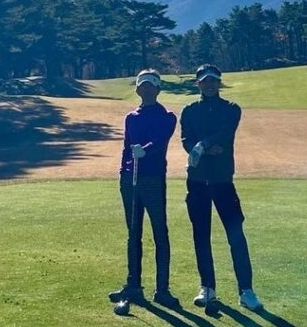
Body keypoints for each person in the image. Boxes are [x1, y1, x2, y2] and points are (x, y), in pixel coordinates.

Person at [180, 63, 263, 311]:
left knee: (236, 236)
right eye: (204, 81)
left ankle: (246, 291)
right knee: (201, 236)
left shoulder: (231, 109)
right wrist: (201, 148)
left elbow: (225, 134)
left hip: (223, 181)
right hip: (197, 182)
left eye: (213, 80)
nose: (209, 84)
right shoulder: (189, 111)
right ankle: (208, 288)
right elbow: (186, 140)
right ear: (198, 84)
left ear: (219, 83)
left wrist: (202, 146)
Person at [108, 69, 182, 309]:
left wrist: (146, 149)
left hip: (152, 179)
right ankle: (134, 286)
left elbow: (161, 141)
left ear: (158, 89)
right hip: (129, 180)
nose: (147, 89)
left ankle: (162, 290)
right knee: (133, 234)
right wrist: (123, 173)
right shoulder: (131, 117)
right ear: (137, 89)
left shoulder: (168, 116)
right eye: (143, 85)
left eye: (151, 85)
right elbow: (126, 147)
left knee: (160, 232)